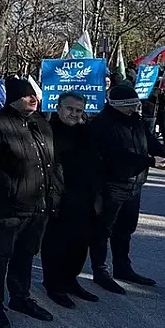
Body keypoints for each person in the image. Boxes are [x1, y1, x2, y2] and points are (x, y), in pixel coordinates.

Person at [0, 77, 62, 328]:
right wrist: (10, 185)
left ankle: (20, 297)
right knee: (0, 256)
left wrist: (55, 192)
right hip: (11, 205)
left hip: (40, 204)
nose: (34, 99)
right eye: (27, 95)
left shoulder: (42, 124)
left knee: (26, 254)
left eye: (34, 95)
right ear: (14, 97)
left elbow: (52, 162)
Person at [89, 84, 165, 294]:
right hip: (112, 184)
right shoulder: (103, 124)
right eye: (129, 105)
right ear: (117, 105)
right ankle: (100, 270)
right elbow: (116, 154)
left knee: (125, 229)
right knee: (103, 229)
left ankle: (123, 267)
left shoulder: (135, 121)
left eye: (135, 104)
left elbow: (150, 142)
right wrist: (149, 161)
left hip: (135, 184)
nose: (134, 109)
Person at [41, 93, 103, 308]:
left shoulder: (86, 131)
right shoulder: (47, 131)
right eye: (69, 109)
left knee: (79, 245)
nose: (74, 114)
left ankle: (70, 280)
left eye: (78, 110)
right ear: (58, 108)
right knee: (56, 245)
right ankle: (53, 284)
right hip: (58, 198)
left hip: (84, 197)